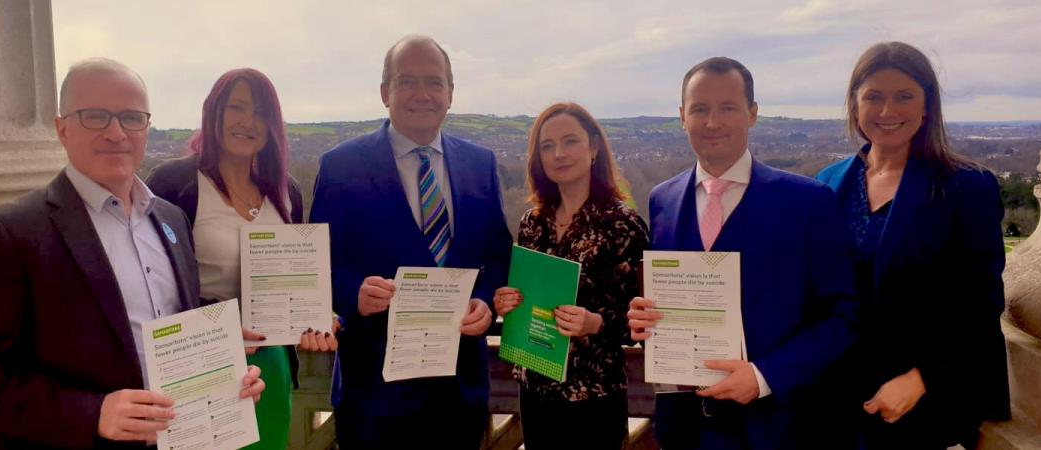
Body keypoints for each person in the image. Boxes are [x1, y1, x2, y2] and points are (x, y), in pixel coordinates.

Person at [0, 58, 265, 449]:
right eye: (95, 116)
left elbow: (167, 313)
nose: (115, 133)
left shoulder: (171, 219)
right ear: (62, 129)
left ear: (146, 126)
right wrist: (92, 413)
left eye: (131, 118)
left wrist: (222, 351)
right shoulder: (13, 232)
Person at [626, 57, 859, 449]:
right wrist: (644, 320)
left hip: (777, 428)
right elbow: (669, 302)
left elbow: (844, 316)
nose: (712, 122)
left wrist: (765, 376)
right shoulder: (662, 199)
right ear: (682, 117)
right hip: (685, 428)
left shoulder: (808, 202)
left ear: (752, 114)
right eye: (700, 109)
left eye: (728, 108)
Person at [308, 34, 512, 449]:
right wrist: (352, 294)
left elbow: (498, 256)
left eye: (434, 82)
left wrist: (487, 301)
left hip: (460, 392)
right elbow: (316, 267)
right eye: (407, 81)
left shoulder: (480, 163)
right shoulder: (341, 166)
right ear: (385, 92)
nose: (422, 94)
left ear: (450, 94)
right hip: (374, 396)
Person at [814, 42, 1009, 449]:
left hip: (922, 404)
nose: (888, 112)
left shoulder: (966, 187)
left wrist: (923, 379)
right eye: (874, 97)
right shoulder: (827, 183)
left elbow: (980, 304)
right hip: (836, 400)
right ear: (854, 105)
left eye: (904, 96)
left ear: (927, 107)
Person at [147, 67, 338, 450]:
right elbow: (149, 282)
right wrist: (220, 322)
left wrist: (314, 316)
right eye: (236, 107)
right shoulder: (173, 184)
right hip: (197, 363)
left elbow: (292, 278)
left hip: (272, 364)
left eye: (261, 112)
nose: (247, 121)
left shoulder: (287, 193)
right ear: (213, 112)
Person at [491, 102, 648, 449]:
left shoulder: (622, 224)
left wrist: (595, 323)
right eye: (547, 146)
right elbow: (525, 297)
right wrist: (506, 302)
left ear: (593, 148)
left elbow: (641, 323)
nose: (559, 154)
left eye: (570, 141)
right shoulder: (532, 223)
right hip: (535, 387)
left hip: (593, 396)